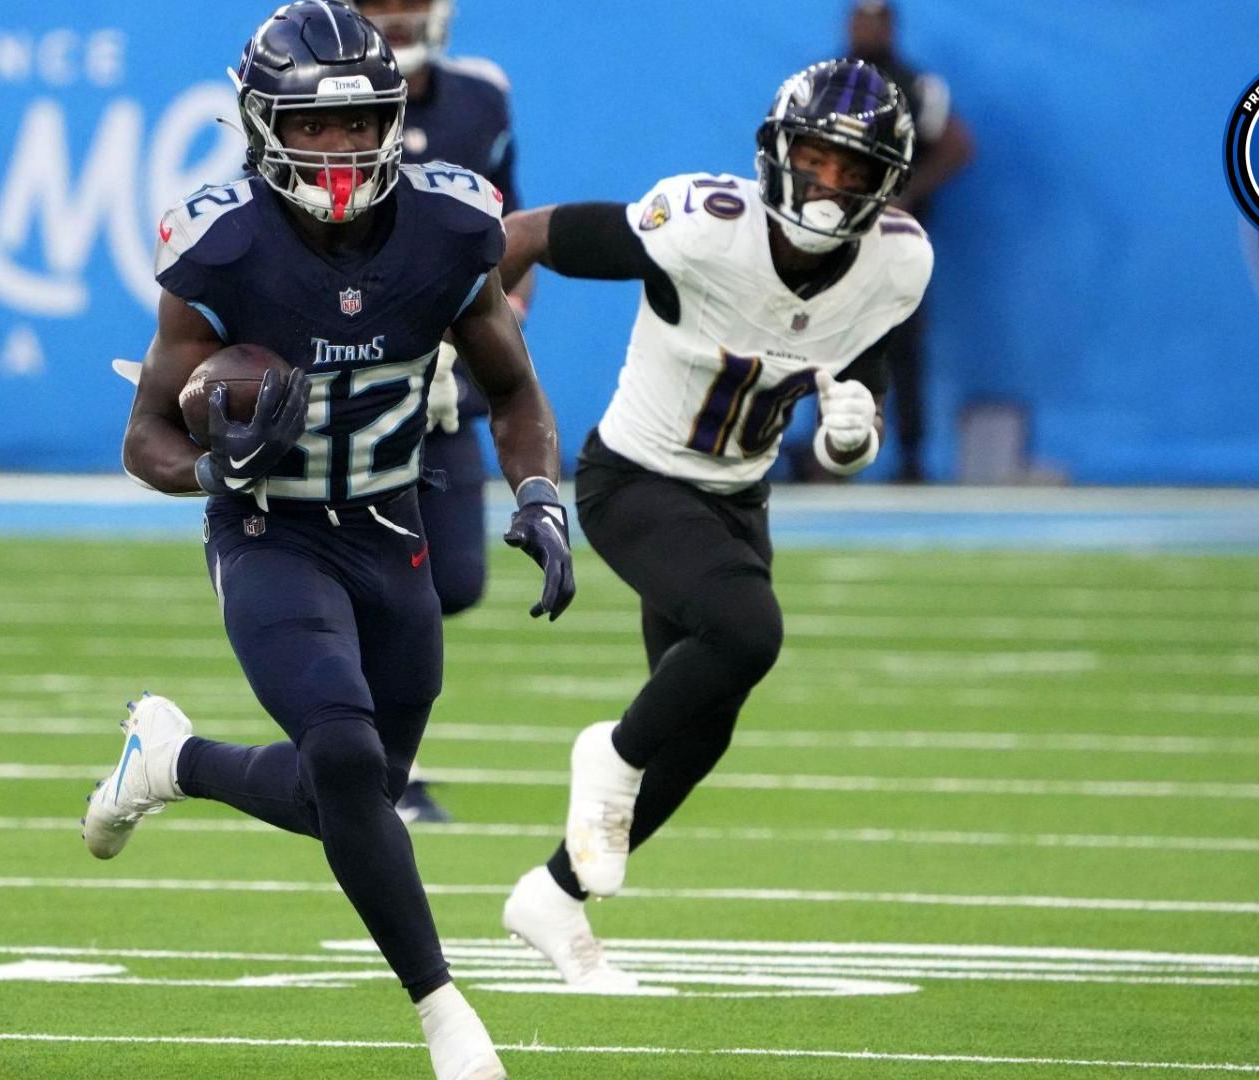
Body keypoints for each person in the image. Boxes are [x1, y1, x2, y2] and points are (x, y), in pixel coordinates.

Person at [81, 5, 574, 1077]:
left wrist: (539, 493)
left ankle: (168, 760)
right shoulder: (223, 244)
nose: (342, 152)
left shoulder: (449, 228)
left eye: (361, 128)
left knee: (351, 791)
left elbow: (512, 389)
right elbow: (144, 440)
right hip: (273, 533)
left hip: (393, 527)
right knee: (347, 759)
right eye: (316, 128)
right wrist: (218, 467)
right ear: (264, 126)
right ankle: (447, 1015)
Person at [492, 59, 930, 989]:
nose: (827, 185)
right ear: (777, 152)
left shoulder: (898, 261)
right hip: (637, 480)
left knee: (702, 726)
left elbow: (860, 400)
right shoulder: (700, 228)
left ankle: (554, 895)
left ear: (884, 184)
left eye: (854, 171)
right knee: (746, 630)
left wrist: (852, 439)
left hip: (739, 494)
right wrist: (473, 344)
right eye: (814, 157)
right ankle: (605, 759)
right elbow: (522, 234)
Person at [346, 0, 533, 825]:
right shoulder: (323, 96)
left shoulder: (480, 97)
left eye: (407, 2)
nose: (395, 18)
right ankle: (382, 768)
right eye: (377, 4)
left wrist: (503, 312)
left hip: (447, 385)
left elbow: (509, 222)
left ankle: (372, 754)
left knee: (451, 580)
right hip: (352, 378)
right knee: (374, 578)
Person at [822, 0, 971, 484]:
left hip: (891, 238)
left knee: (902, 345)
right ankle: (829, 454)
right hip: (832, 233)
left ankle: (910, 456)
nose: (865, 26)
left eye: (875, 18)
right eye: (858, 17)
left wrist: (908, 193)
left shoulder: (915, 86)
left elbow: (956, 144)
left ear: (890, 25)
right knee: (823, 338)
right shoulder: (826, 84)